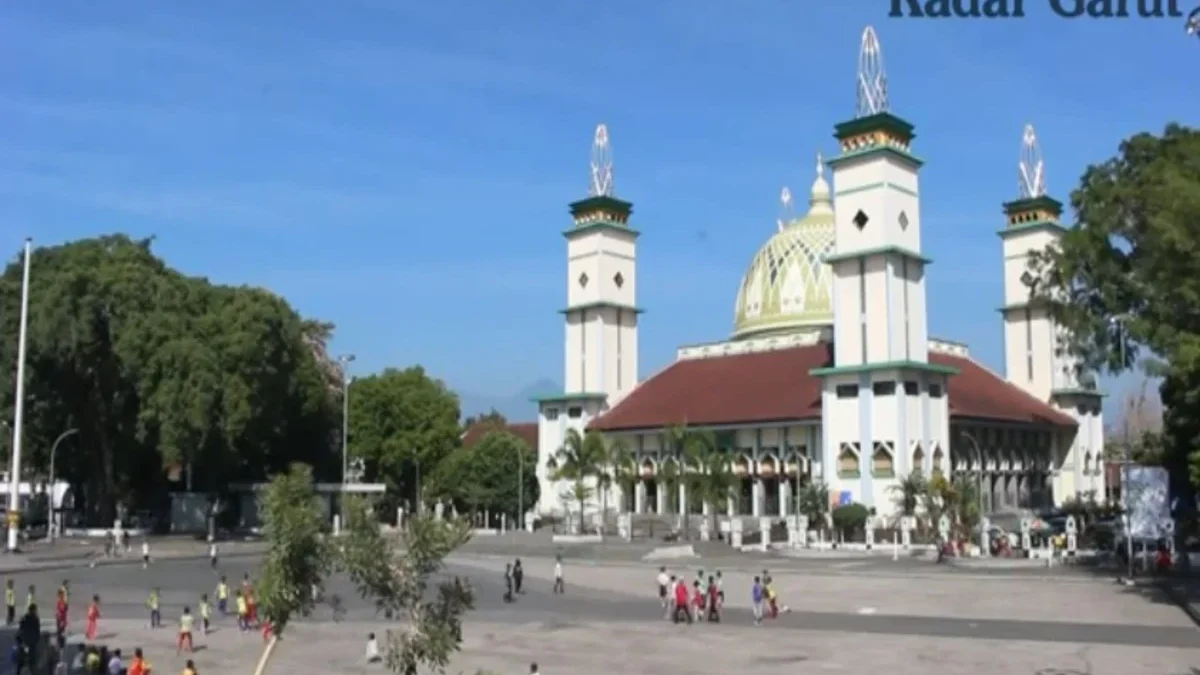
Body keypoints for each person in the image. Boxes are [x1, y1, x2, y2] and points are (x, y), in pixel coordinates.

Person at [18, 603, 41, 674]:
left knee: (21, 660)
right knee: (32, 661)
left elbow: (20, 629)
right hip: (31, 643)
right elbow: (37, 631)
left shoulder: (24, 618)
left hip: (24, 643)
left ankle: (18, 672)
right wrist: (37, 640)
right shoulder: (35, 619)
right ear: (33, 610)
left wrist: (20, 641)